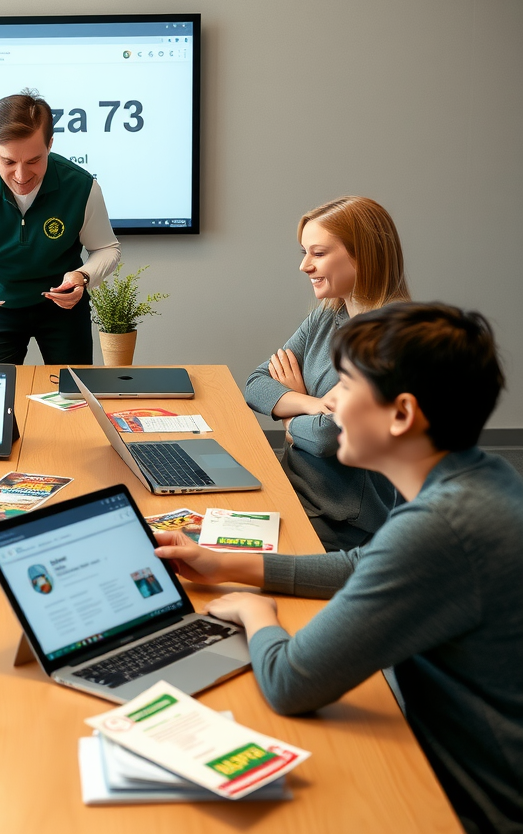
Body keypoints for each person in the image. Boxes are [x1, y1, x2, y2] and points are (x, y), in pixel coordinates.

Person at [158, 302, 523, 834]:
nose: (328, 405)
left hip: (474, 803)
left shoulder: (440, 526)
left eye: (345, 386)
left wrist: (257, 614)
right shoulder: (484, 475)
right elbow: (366, 565)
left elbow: (290, 681)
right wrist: (223, 564)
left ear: (401, 415)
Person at [245, 196, 410, 550]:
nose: (305, 266)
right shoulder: (327, 314)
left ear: (363, 255)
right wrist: (312, 403)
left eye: (318, 253)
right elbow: (255, 383)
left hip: (343, 521)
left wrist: (290, 423)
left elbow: (325, 439)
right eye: (304, 252)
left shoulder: (393, 339)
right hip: (293, 484)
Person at [0, 90, 121, 364]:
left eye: (34, 160)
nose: (21, 176)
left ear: (50, 145)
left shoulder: (81, 187)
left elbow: (106, 248)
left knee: (74, 393)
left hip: (63, 306)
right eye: (8, 162)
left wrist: (82, 276)